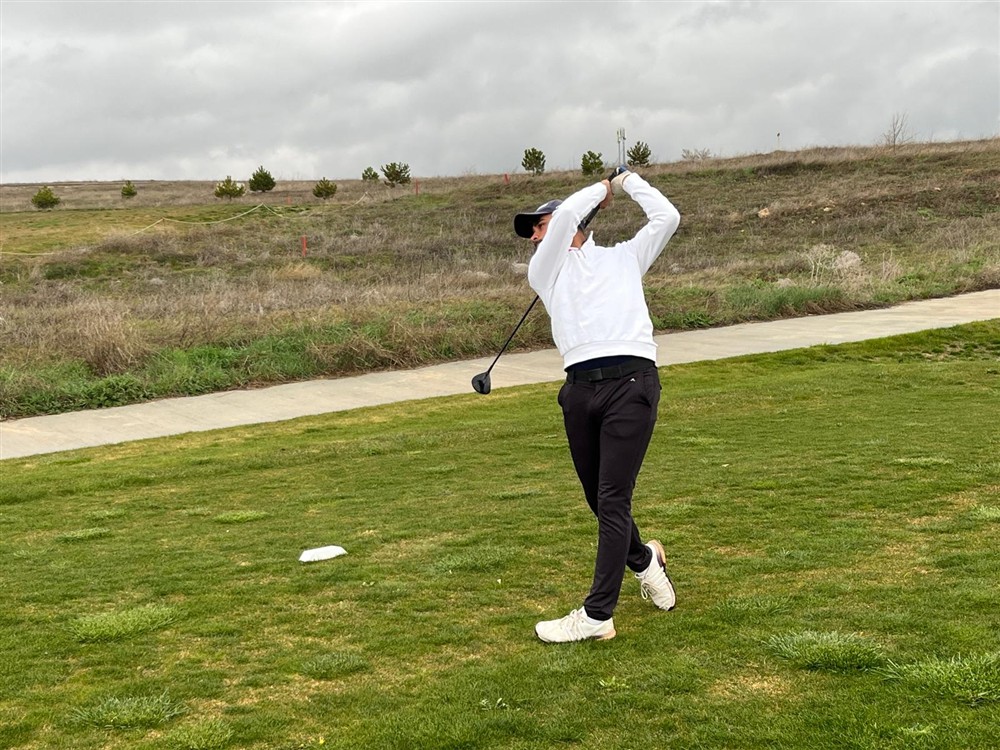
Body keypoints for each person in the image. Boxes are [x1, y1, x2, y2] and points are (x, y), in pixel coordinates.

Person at [514, 169, 681, 643]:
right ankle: (645, 561)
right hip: (579, 391)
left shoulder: (625, 256)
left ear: (578, 226)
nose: (535, 236)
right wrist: (601, 190)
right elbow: (569, 211)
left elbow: (667, 217)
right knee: (598, 498)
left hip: (632, 383)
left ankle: (597, 614)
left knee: (612, 498)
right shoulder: (544, 271)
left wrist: (627, 182)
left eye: (539, 225)